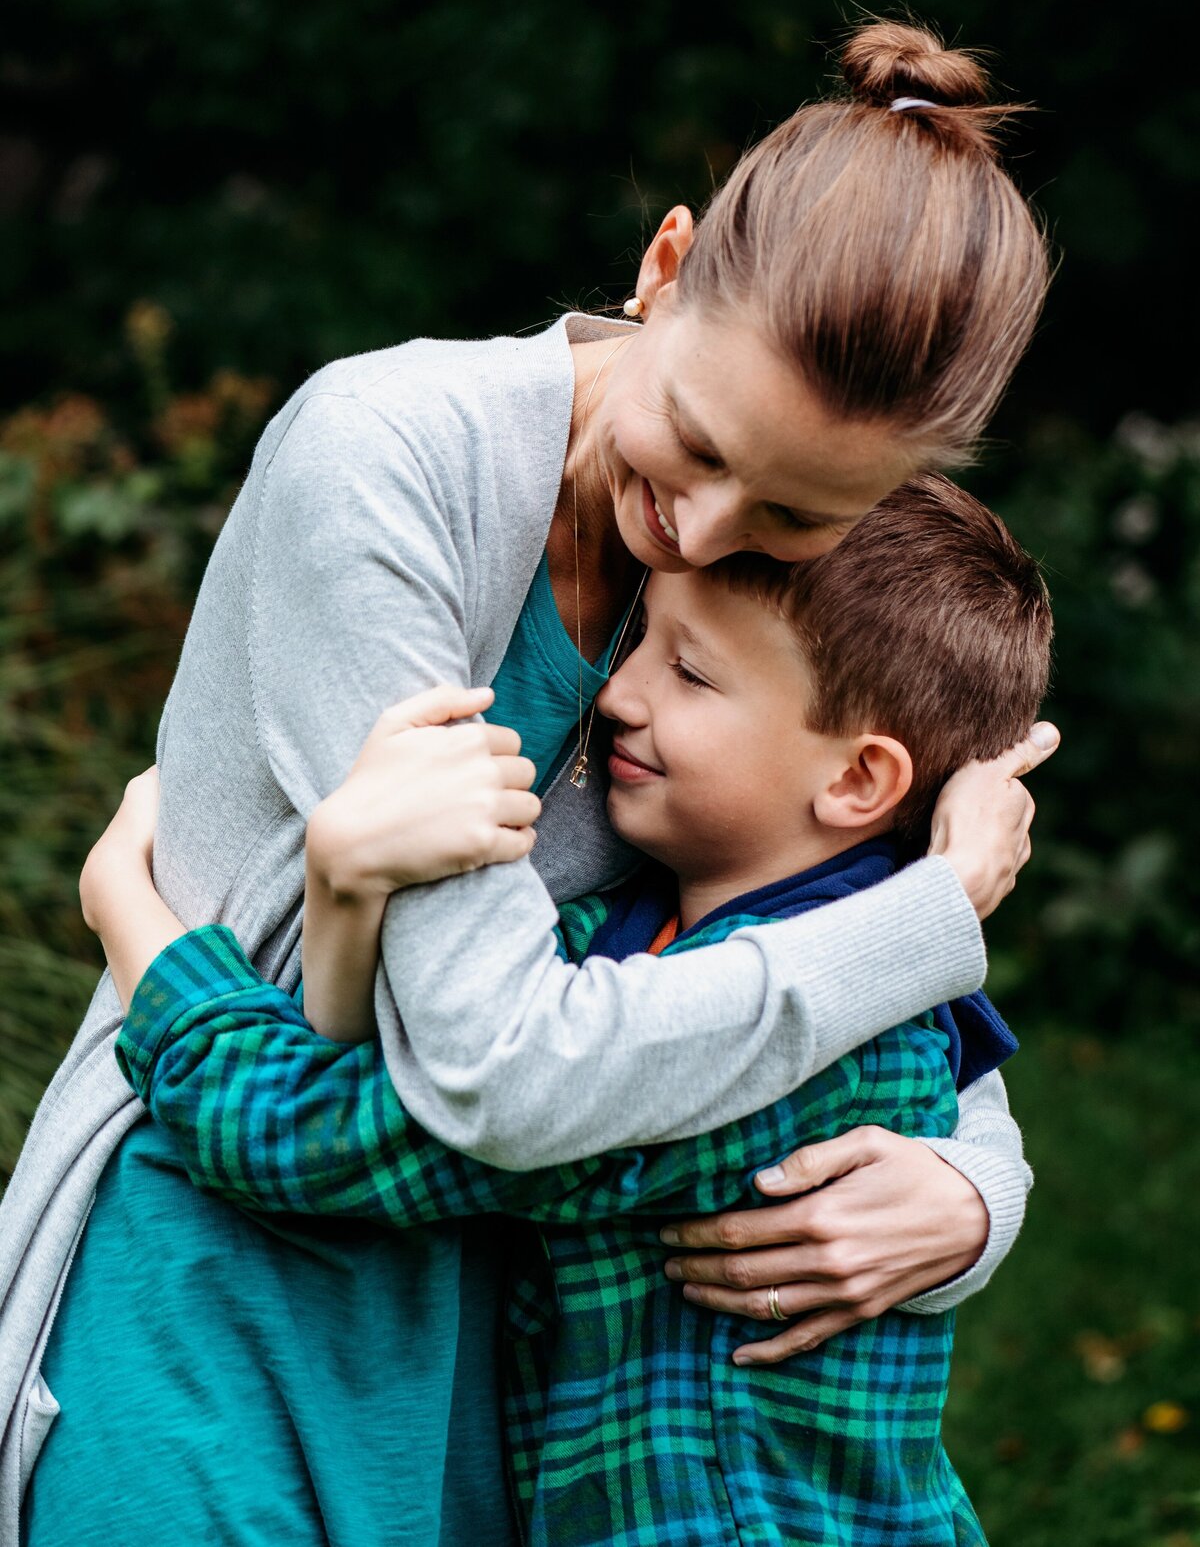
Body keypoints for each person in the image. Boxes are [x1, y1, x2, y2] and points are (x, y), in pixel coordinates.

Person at [2, 20, 1055, 1545]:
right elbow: (495, 1064)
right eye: (696, 446)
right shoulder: (386, 459)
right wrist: (942, 904)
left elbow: (820, 927)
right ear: (668, 265)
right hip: (226, 1271)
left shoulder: (773, 582)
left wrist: (975, 1191)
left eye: (797, 513)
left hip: (520, 1350)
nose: (698, 534)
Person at [77, 473, 1052, 1547]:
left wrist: (132, 915)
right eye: (640, 641)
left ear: (861, 780)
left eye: (688, 671)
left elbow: (313, 1139)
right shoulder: (634, 943)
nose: (621, 693)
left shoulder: (787, 1049)